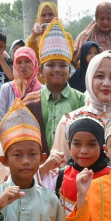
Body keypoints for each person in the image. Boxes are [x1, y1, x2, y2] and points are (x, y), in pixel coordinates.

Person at [50, 50, 111, 176]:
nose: (107, 83)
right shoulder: (69, 121)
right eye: (100, 76)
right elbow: (58, 168)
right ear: (89, 77)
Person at [36, 20, 83, 150]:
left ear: (69, 71)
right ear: (40, 71)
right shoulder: (31, 101)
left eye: (63, 65)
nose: (57, 69)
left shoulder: (81, 100)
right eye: (50, 65)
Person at [0, 46, 43, 119]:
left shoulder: (42, 91)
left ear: (34, 63)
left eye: (27, 61)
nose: (23, 66)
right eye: (19, 62)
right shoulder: (7, 89)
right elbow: (1, 118)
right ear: (14, 65)